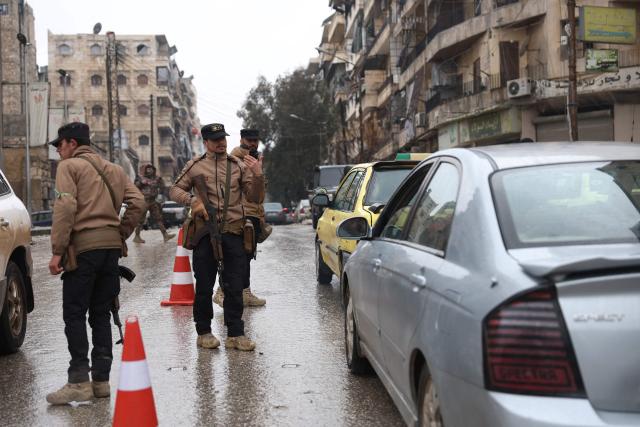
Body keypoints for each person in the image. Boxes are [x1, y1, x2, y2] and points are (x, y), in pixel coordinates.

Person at [46, 122, 144, 405]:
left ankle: (78, 381)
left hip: (83, 250)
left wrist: (57, 251)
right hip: (111, 249)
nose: (58, 151)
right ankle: (101, 381)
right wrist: (120, 231)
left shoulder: (69, 168)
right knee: (101, 313)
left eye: (59, 145)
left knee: (74, 313)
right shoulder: (114, 169)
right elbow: (138, 202)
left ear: (72, 143)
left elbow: (65, 206)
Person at [170, 123, 265, 351]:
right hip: (205, 233)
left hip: (234, 231)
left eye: (223, 138)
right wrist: (193, 201)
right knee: (204, 285)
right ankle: (203, 332)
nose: (221, 143)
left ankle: (236, 334)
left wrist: (258, 175)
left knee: (234, 286)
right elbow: (174, 190)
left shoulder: (238, 166)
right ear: (206, 142)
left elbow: (255, 197)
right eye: (215, 140)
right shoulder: (195, 166)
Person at [214, 128, 266, 307]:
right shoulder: (237, 157)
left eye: (255, 140)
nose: (253, 143)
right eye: (249, 140)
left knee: (247, 255)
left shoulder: (254, 156)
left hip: (254, 211)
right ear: (242, 139)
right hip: (244, 213)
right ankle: (221, 291)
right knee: (238, 257)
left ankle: (245, 292)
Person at [133, 163, 175, 243]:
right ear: (145, 170)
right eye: (148, 168)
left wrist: (161, 193)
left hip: (153, 201)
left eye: (151, 168)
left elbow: (163, 187)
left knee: (158, 218)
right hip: (144, 201)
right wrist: (140, 183)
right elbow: (135, 188)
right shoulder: (140, 178)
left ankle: (165, 235)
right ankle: (137, 236)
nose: (150, 170)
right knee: (141, 220)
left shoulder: (157, 178)